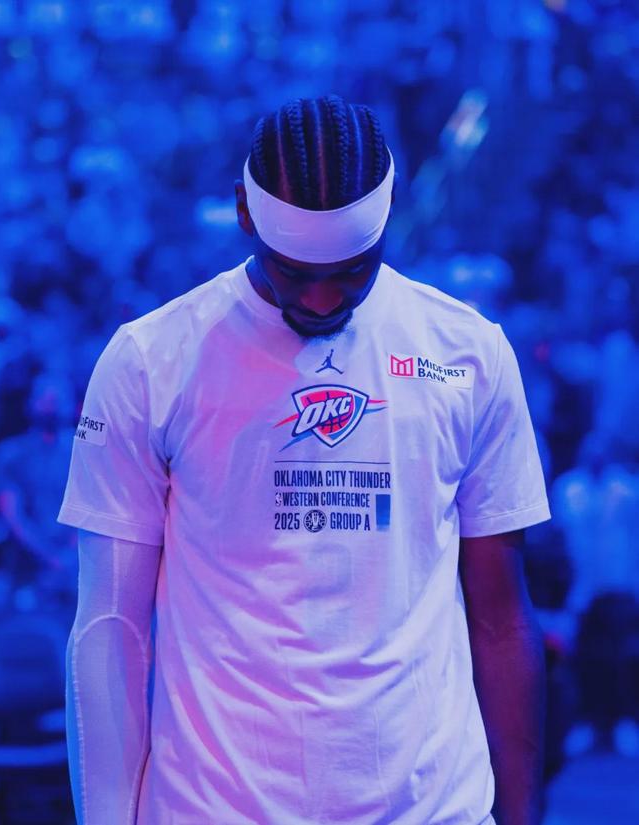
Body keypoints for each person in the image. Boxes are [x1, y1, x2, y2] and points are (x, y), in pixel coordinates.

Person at [59, 94, 551, 825]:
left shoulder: (469, 353)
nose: (321, 298)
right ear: (244, 213)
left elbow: (501, 617)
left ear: (388, 215)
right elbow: (111, 626)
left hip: (433, 809)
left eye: (352, 271)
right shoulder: (149, 361)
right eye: (292, 272)